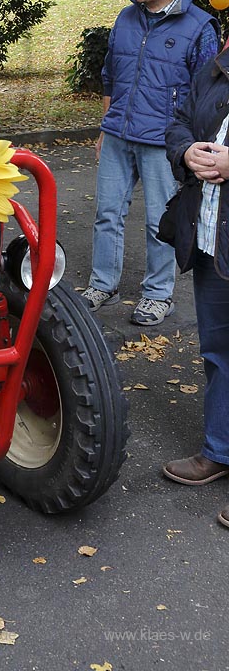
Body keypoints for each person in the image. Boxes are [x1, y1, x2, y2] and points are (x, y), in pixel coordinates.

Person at [83, 0, 219, 326]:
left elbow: (206, 95)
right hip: (118, 134)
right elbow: (111, 74)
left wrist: (191, 145)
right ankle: (103, 284)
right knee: (107, 213)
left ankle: (158, 295)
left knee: (161, 220)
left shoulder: (200, 27)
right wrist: (105, 124)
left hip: (165, 141)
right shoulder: (126, 18)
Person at [162, 39, 229, 522]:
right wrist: (187, 151)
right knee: (218, 352)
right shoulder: (215, 68)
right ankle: (220, 449)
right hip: (212, 240)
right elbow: (178, 121)